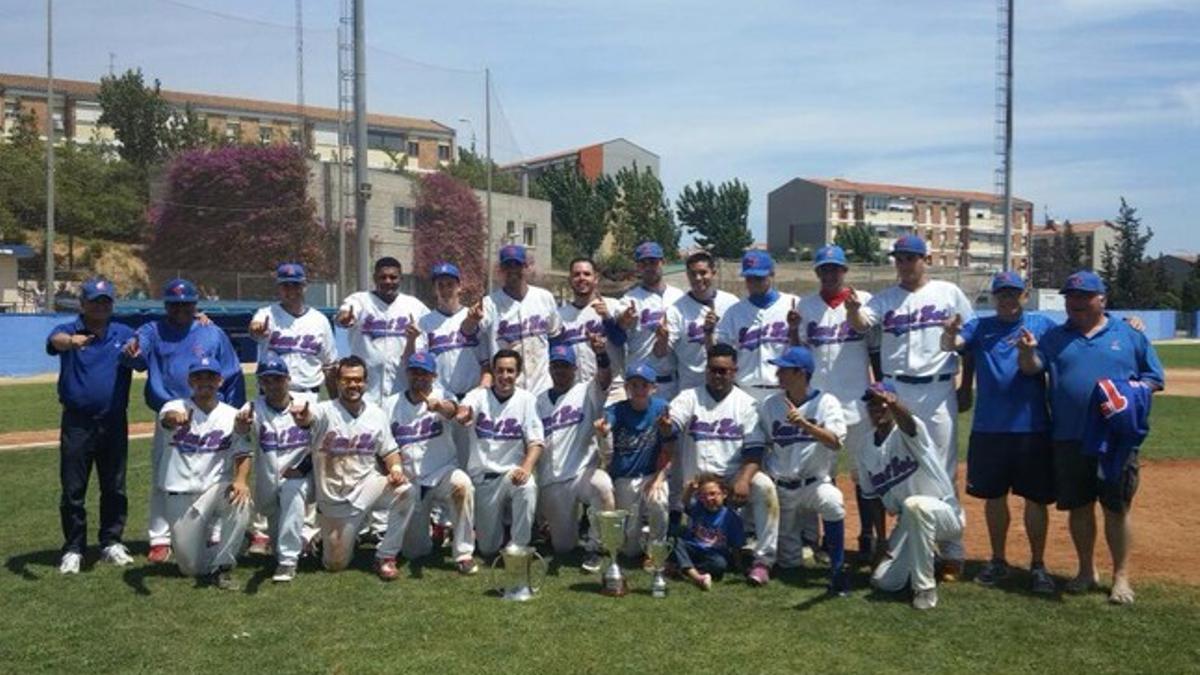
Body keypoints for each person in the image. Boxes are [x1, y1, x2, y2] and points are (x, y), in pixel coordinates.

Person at [1020, 270, 1164, 605]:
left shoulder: (1128, 333)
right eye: (1071, 297)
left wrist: (1130, 394)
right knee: (1079, 508)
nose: (1077, 302)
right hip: (1070, 436)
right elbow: (1032, 368)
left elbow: (1154, 377)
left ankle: (1121, 577)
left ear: (1102, 299)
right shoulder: (1055, 337)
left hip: (1115, 438)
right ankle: (1086, 570)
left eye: (1085, 296)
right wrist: (1027, 352)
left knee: (1117, 508)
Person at [846, 235, 973, 576]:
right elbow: (861, 324)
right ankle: (911, 543)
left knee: (942, 467)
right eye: (899, 258)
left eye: (910, 258)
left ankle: (951, 548)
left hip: (937, 389)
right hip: (897, 389)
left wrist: (964, 374)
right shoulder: (886, 298)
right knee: (901, 466)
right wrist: (853, 310)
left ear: (925, 259)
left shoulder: (949, 293)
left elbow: (969, 336)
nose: (904, 264)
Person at [941, 271, 1057, 593]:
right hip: (989, 427)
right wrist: (950, 334)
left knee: (1035, 499)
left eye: (1013, 293)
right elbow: (956, 344)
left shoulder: (1042, 326)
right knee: (993, 498)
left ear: (1024, 294)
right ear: (994, 297)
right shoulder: (980, 326)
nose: (1007, 299)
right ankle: (998, 559)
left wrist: (1128, 323)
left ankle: (1037, 564)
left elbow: (1034, 366)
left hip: (1031, 427)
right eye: (1002, 294)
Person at [123, 277, 245, 565]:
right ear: (166, 305)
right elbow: (132, 354)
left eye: (186, 304)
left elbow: (232, 371)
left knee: (216, 470)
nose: (180, 309)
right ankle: (160, 537)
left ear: (195, 305)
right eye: (174, 304)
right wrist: (132, 348)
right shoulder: (153, 330)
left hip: (210, 410)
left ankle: (213, 529)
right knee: (163, 475)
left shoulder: (211, 331)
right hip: (171, 410)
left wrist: (232, 410)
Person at [290, 356, 416, 581]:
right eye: (347, 380)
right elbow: (309, 418)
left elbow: (389, 451)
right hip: (334, 497)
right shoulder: (325, 411)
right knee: (334, 564)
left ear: (366, 383)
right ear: (337, 382)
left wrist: (395, 468)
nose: (353, 385)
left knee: (407, 491)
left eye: (358, 380)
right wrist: (303, 417)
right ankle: (325, 537)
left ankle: (385, 556)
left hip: (368, 485)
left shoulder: (376, 414)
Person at [666, 343, 778, 586]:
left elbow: (755, 449)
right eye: (713, 370)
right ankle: (692, 559)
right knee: (695, 534)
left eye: (724, 371)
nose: (718, 375)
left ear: (734, 371)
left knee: (765, 487)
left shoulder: (746, 404)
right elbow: (673, 422)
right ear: (706, 370)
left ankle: (762, 561)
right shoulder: (689, 397)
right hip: (699, 484)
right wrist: (667, 426)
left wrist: (744, 479)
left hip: (732, 478)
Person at [798, 244, 883, 564]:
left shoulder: (863, 301)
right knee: (823, 474)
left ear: (844, 271)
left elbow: (874, 346)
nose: (830, 273)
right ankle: (823, 538)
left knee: (866, 474)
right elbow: (801, 355)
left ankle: (869, 535)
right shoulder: (805, 307)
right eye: (824, 269)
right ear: (817, 272)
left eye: (836, 268)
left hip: (857, 400)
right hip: (820, 404)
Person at [46, 278, 136, 574]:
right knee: (73, 488)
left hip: (113, 420)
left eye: (106, 301)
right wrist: (72, 343)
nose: (100, 306)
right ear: (83, 304)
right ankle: (74, 548)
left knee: (114, 486)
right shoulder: (69, 330)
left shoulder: (123, 333)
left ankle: (111, 542)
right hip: (77, 422)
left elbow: (144, 353)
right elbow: (54, 341)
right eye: (95, 301)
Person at [246, 262, 336, 555]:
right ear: (279, 288)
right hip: (271, 395)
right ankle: (261, 531)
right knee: (266, 461)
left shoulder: (320, 320)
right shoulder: (267, 314)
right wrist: (257, 328)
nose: (291, 289)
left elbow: (329, 363)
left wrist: (332, 402)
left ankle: (305, 530)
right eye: (285, 284)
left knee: (306, 464)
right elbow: (256, 327)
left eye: (296, 284)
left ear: (305, 286)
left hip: (307, 396)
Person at [750, 346, 849, 594]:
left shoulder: (826, 402)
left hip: (814, 484)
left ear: (800, 373)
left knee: (833, 501)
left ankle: (838, 568)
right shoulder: (770, 405)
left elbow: (836, 442)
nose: (777, 374)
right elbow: (759, 443)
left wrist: (806, 425)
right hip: (782, 489)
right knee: (790, 562)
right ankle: (797, 550)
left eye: (783, 369)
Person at [858, 382, 964, 610]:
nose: (877, 409)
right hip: (909, 522)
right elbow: (872, 498)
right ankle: (930, 560)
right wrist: (882, 540)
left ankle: (924, 589)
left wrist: (895, 404)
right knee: (883, 581)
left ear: (892, 404)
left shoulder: (910, 431)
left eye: (882, 403)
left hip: (944, 515)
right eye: (872, 405)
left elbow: (907, 423)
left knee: (915, 505)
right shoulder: (866, 446)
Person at [154, 356, 252, 590]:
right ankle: (222, 543)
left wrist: (240, 480)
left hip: (214, 489)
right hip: (180, 493)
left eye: (210, 377)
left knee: (240, 498)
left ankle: (224, 566)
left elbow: (243, 451)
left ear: (220, 381)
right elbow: (167, 420)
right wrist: (175, 420)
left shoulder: (231, 415)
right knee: (190, 569)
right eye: (198, 376)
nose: (204, 381)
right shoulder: (175, 406)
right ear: (190, 381)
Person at [385, 352, 479, 575]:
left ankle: (464, 553)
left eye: (425, 373)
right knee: (415, 552)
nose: (420, 377)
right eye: (415, 372)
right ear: (407, 374)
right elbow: (383, 445)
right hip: (411, 482)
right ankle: (429, 536)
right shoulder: (390, 404)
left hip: (442, 473)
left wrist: (439, 407)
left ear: (434, 376)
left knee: (462, 485)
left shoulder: (442, 395)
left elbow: (453, 410)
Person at [232, 358, 316, 583]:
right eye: (266, 380)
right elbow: (241, 441)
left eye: (277, 379)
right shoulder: (252, 408)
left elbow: (324, 441)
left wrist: (308, 424)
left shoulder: (306, 404)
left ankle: (288, 562)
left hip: (306, 479)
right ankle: (305, 542)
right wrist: (241, 428)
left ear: (288, 379)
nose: (273, 384)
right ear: (260, 382)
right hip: (268, 483)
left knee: (292, 489)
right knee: (278, 539)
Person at [455, 349, 545, 557]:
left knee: (527, 486)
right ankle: (501, 530)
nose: (505, 376)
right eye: (500, 371)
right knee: (488, 548)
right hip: (483, 478)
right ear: (493, 372)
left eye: (510, 371)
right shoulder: (479, 395)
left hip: (511, 474)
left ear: (518, 373)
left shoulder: (526, 399)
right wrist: (464, 415)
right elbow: (464, 410)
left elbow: (536, 442)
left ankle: (519, 548)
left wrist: (526, 467)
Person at [538, 341, 614, 570]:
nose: (560, 371)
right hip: (552, 480)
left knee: (602, 486)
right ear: (550, 368)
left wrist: (601, 353)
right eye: (556, 366)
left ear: (575, 369)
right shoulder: (538, 401)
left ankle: (595, 547)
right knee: (564, 547)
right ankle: (565, 529)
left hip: (582, 472)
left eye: (566, 366)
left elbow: (605, 378)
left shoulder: (586, 390)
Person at [593, 362, 671, 561]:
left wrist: (659, 478)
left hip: (651, 475)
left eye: (644, 385)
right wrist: (604, 429)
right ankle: (639, 540)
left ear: (653, 387)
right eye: (634, 385)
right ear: (627, 387)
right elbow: (608, 423)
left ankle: (656, 550)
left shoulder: (661, 408)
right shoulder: (617, 409)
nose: (639, 390)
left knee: (659, 502)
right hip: (625, 478)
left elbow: (670, 449)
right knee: (629, 549)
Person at [336, 257, 429, 405]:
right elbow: (344, 315)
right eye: (383, 277)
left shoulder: (415, 306)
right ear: (374, 278)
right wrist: (345, 318)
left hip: (401, 392)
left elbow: (424, 348)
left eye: (393, 277)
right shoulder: (360, 300)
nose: (387, 281)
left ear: (401, 279)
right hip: (365, 392)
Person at [713, 250, 803, 403]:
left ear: (772, 274)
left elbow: (804, 352)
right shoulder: (734, 312)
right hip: (745, 391)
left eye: (759, 278)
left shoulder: (793, 304)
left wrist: (794, 329)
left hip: (783, 390)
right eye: (750, 278)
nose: (754, 282)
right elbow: (723, 352)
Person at [481, 245, 563, 395]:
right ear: (501, 270)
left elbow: (555, 337)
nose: (512, 270)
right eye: (507, 266)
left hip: (543, 386)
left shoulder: (544, 298)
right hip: (507, 389)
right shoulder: (489, 303)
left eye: (517, 265)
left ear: (526, 267)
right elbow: (472, 335)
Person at [659, 250, 738, 394]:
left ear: (713, 272)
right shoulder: (677, 309)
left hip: (726, 388)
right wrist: (662, 339)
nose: (698, 278)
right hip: (691, 388)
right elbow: (661, 353)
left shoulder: (731, 303)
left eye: (703, 272)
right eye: (692, 274)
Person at [616, 242, 685, 400]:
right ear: (638, 267)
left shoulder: (678, 296)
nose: (649, 267)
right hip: (640, 382)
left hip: (672, 380)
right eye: (643, 263)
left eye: (653, 262)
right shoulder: (630, 298)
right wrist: (625, 318)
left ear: (663, 263)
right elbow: (620, 323)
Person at [413, 262, 487, 401]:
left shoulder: (473, 317)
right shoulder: (424, 322)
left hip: (473, 396)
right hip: (440, 398)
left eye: (450, 284)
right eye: (440, 285)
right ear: (435, 289)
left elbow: (486, 363)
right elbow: (421, 365)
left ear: (459, 287)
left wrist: (481, 392)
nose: (445, 289)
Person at [555, 257, 624, 396]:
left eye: (587, 274)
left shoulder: (613, 306)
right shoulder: (560, 315)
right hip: (577, 391)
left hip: (613, 389)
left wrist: (608, 318)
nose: (581, 278)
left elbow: (620, 340)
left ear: (596, 278)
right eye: (576, 274)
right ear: (570, 280)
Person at [672, 473, 746, 591]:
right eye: (703, 496)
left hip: (713, 554)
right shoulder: (699, 508)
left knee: (719, 565)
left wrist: (739, 566)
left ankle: (682, 568)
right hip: (693, 548)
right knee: (675, 541)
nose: (708, 499)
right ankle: (696, 577)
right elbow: (685, 501)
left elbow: (736, 545)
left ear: (724, 494)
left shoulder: (731, 517)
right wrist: (690, 489)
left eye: (713, 494)